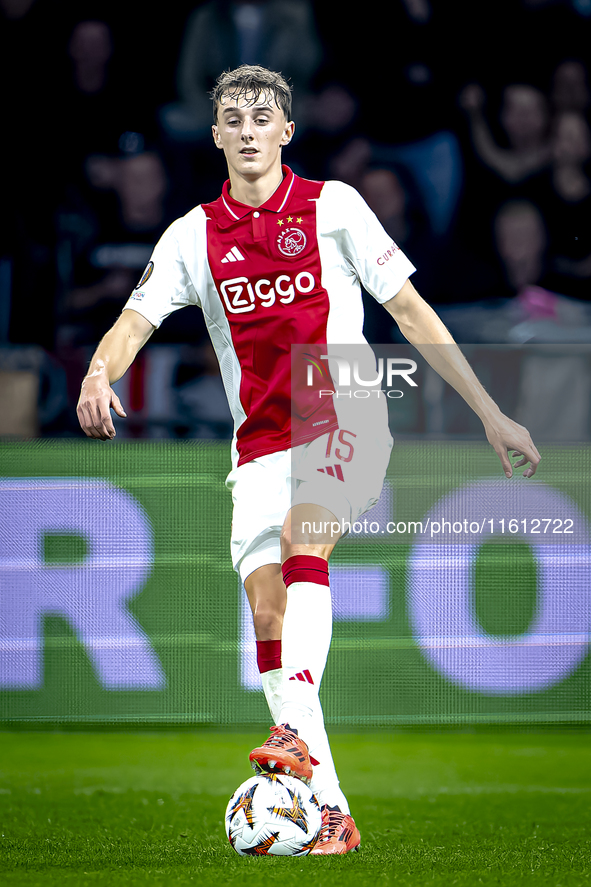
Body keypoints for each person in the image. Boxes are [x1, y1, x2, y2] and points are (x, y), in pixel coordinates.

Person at [77, 64, 541, 855]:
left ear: (285, 131)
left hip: (345, 403)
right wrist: (96, 370)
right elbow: (134, 320)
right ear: (216, 134)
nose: (249, 128)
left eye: (264, 116)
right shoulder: (191, 235)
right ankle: (329, 808)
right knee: (267, 613)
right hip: (256, 437)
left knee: (305, 540)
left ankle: (289, 730)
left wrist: (490, 412)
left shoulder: (334, 206)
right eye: (234, 117)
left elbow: (410, 310)